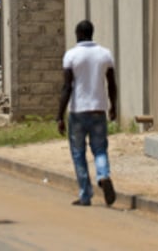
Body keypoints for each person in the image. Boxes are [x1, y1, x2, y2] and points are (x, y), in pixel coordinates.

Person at [57, 19, 118, 207]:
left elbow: (67, 87)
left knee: (78, 153)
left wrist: (59, 115)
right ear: (92, 33)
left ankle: (85, 195)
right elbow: (112, 84)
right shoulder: (105, 54)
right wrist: (113, 106)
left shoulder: (71, 55)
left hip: (78, 111)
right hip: (99, 109)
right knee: (100, 149)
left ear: (78, 34)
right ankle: (103, 175)